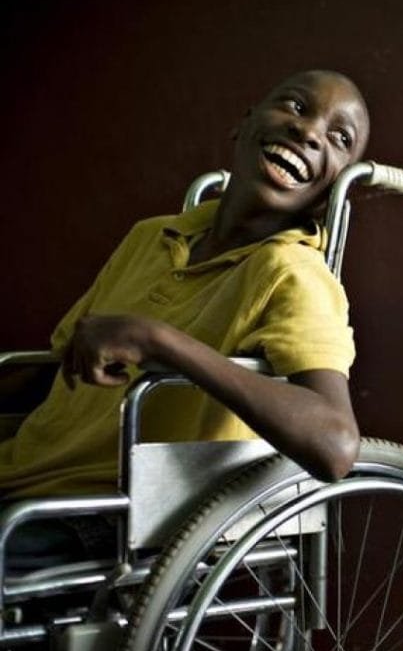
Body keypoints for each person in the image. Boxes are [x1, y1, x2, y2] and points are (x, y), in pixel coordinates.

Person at [0, 70, 368, 561]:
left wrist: (159, 341)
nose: (308, 132)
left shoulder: (293, 275)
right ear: (245, 123)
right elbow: (55, 374)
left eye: (339, 137)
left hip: (100, 514)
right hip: (21, 479)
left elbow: (334, 444)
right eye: (296, 107)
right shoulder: (150, 237)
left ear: (335, 186)